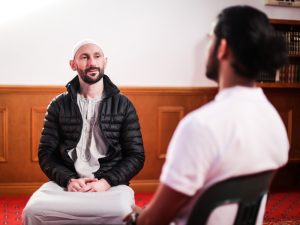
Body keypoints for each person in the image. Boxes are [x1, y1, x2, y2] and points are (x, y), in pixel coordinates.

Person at [125, 5, 289, 225]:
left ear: (222, 48)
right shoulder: (275, 121)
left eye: (210, 39)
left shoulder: (200, 126)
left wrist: (138, 216)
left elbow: (153, 221)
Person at [22, 39, 145, 225]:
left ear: (105, 62)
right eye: (84, 57)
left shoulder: (124, 105)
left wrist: (105, 182)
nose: (92, 63)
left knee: (122, 212)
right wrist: (68, 180)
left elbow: (136, 155)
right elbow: (46, 154)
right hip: (67, 184)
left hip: (109, 184)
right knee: (33, 211)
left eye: (97, 56)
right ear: (73, 64)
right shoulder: (58, 105)